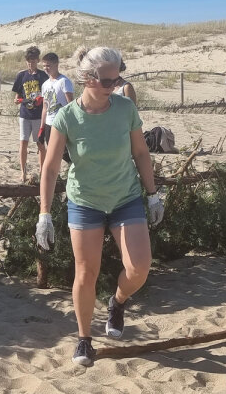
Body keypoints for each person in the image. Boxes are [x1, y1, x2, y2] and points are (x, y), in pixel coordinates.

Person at [36, 45, 164, 368]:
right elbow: (50, 168)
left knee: (139, 268)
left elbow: (141, 153)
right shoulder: (67, 117)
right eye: (108, 81)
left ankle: (117, 302)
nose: (114, 86)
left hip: (125, 197)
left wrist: (152, 194)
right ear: (88, 79)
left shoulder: (125, 109)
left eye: (117, 78)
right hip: (85, 201)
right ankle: (84, 340)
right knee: (85, 272)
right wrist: (44, 214)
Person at [12, 46, 49, 182]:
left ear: (37, 60)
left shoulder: (43, 76)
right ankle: (23, 172)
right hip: (24, 115)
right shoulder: (21, 75)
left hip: (39, 116)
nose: (30, 63)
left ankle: (42, 170)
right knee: (23, 143)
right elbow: (17, 96)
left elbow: (47, 95)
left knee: (40, 144)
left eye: (33, 60)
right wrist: (17, 100)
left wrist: (42, 101)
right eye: (28, 60)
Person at [38, 51, 74, 148]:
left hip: (61, 124)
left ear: (56, 64)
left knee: (65, 153)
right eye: (44, 66)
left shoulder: (64, 81)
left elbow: (70, 104)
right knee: (51, 152)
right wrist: (42, 127)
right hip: (49, 124)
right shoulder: (45, 84)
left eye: (48, 66)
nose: (46, 68)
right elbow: (45, 108)